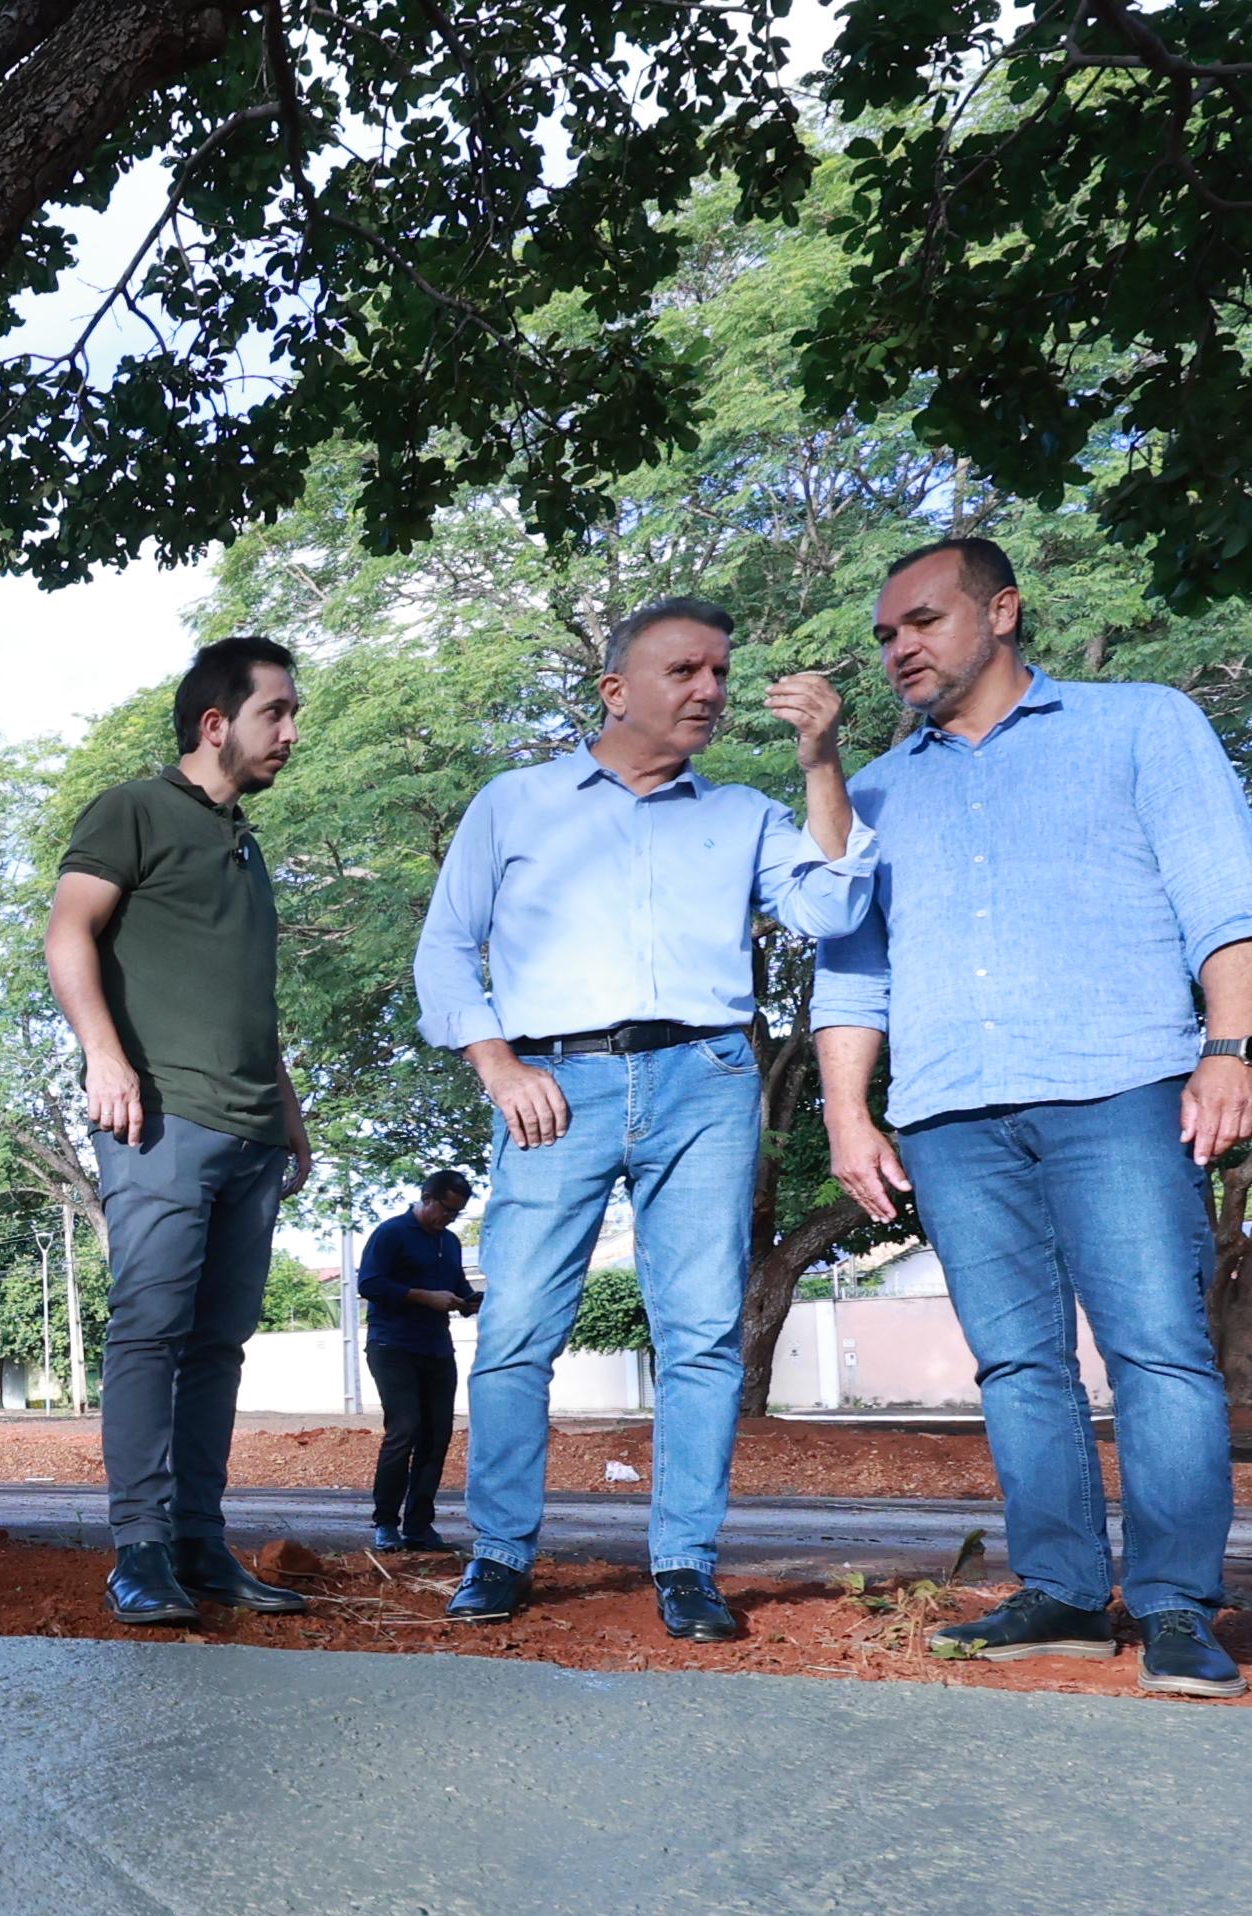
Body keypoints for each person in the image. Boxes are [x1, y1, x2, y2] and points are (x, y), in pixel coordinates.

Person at [815, 538, 1252, 1700]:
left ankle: (1176, 1607)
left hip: (1118, 1087)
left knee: (1158, 1350)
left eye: (922, 621)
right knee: (1018, 1363)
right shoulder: (873, 793)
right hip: (950, 1112)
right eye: (885, 634)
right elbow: (853, 972)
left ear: (1003, 611)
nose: (899, 648)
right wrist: (847, 1116)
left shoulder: (1142, 724)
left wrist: (1232, 1048)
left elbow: (1223, 893)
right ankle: (1066, 1595)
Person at [415, 598, 870, 1639]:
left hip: (706, 1076)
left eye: (721, 671)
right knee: (518, 1329)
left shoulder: (743, 813)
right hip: (553, 1082)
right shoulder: (516, 803)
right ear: (615, 689)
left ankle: (686, 1563)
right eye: (685, 671)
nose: (710, 690)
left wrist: (820, 763)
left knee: (702, 1333)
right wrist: (497, 1063)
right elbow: (444, 947)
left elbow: (834, 907)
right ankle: (498, 1551)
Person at [44, 636, 320, 1628]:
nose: (291, 732)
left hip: (252, 1133)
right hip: (160, 1118)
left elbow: (247, 999)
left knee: (218, 1347)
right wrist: (104, 1056)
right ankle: (141, 1552)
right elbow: (68, 931)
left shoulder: (246, 845)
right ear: (215, 724)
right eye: (275, 712)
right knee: (150, 1333)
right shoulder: (133, 809)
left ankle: (200, 1544)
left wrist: (290, 1117)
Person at [354, 1171, 478, 1553]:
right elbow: (369, 1284)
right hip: (392, 1346)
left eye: (456, 1214)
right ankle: (385, 1523)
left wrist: (472, 1301)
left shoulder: (450, 1242)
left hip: (437, 1348)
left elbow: (458, 1288)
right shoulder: (391, 1233)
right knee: (404, 1430)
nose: (449, 1219)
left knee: (436, 1436)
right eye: (446, 1210)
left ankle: (419, 1527)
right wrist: (424, 1296)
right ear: (426, 1198)